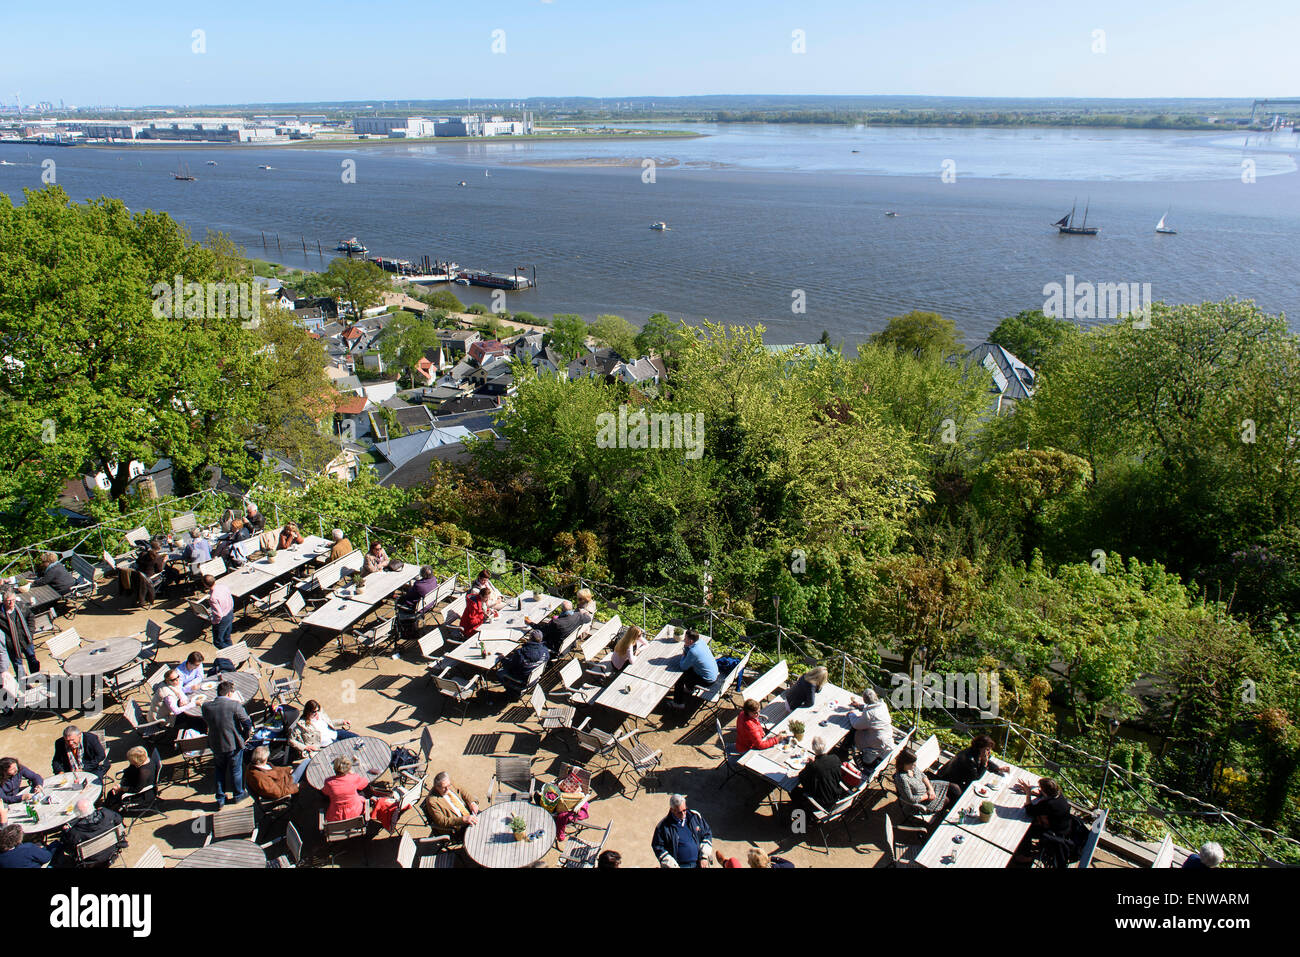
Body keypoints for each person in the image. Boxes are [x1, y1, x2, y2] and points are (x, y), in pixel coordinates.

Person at [202, 680, 253, 807]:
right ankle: (238, 794)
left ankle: (220, 798)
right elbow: (247, 723)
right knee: (236, 770)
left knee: (219, 770)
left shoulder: (206, 706)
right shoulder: (235, 705)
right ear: (230, 693)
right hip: (233, 743)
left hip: (216, 743)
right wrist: (245, 735)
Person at [1010, 777, 1074, 866]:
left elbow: (1029, 811)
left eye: (1040, 788)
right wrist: (1034, 792)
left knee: (1026, 830)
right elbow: (1045, 798)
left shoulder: (1048, 804)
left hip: (1054, 832)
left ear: (1045, 791)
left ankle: (1027, 856)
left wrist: (1028, 793)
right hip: (1065, 827)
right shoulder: (1059, 795)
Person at [52, 797, 124, 868]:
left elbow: (67, 846)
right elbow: (119, 819)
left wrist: (65, 832)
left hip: (91, 860)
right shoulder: (107, 814)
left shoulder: (75, 832)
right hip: (112, 849)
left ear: (77, 814)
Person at [894, 748, 957, 822]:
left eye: (915, 763)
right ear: (904, 764)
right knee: (946, 799)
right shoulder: (901, 778)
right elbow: (910, 799)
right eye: (912, 764)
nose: (914, 766)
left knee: (954, 787)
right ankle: (951, 815)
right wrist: (927, 796)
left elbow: (923, 776)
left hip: (928, 788)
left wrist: (930, 789)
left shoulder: (911, 768)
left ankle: (957, 808)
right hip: (922, 799)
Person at [651, 794, 714, 868]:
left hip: (700, 862)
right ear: (672, 810)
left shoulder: (695, 817)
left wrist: (704, 856)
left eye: (685, 810)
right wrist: (672, 865)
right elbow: (658, 846)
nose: (683, 814)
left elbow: (707, 834)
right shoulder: (663, 827)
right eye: (679, 812)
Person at [934, 733, 1009, 792]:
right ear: (980, 748)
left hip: (958, 778)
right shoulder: (969, 759)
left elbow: (986, 760)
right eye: (987, 749)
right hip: (948, 781)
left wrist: (997, 768)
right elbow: (976, 777)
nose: (988, 752)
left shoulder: (975, 752)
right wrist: (984, 764)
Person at [288, 699, 358, 758]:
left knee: (357, 739)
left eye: (317, 711)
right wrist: (305, 747)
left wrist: (342, 722)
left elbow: (330, 723)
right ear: (308, 711)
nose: (316, 713)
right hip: (327, 742)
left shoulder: (320, 714)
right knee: (348, 750)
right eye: (314, 712)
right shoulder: (302, 724)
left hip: (334, 733)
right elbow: (291, 740)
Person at [149, 668, 207, 735]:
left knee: (193, 715)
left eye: (178, 677)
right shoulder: (167, 695)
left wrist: (182, 699)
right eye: (174, 680)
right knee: (195, 718)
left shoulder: (171, 684)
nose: (177, 680)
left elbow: (180, 691)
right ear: (167, 681)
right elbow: (176, 711)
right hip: (163, 720)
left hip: (168, 712)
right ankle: (200, 737)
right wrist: (194, 704)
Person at [421, 771, 479, 837]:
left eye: (448, 785)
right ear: (437, 787)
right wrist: (463, 819)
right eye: (444, 787)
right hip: (458, 826)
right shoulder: (432, 801)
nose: (448, 789)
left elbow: (462, 791)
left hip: (470, 813)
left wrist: (472, 803)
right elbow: (442, 821)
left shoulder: (448, 782)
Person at [670, 628, 717, 708]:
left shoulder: (693, 651)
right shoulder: (701, 642)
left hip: (707, 680)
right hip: (713, 674)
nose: (684, 640)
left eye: (686, 638)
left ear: (691, 641)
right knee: (690, 669)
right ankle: (689, 688)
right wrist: (687, 649)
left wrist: (684, 655)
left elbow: (683, 666)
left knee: (679, 679)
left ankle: (678, 703)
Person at [793, 736, 843, 811]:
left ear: (813, 748)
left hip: (821, 803)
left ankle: (804, 812)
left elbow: (801, 777)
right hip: (836, 794)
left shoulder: (813, 766)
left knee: (793, 790)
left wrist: (809, 765)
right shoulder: (835, 758)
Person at [103, 746, 160, 811]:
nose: (130, 762)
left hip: (142, 795)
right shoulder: (143, 760)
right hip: (133, 783)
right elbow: (130, 770)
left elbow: (136, 789)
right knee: (111, 793)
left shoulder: (144, 772)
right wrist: (122, 783)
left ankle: (107, 811)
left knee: (113, 795)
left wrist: (121, 788)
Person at [0, 584, 39, 677]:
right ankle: (23, 684)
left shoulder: (21, 607)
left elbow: (31, 617)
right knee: (18, 664)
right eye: (8, 601)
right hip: (12, 644)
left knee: (32, 659)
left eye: (13, 600)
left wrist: (30, 632)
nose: (11, 603)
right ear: (4, 601)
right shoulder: (1, 614)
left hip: (26, 639)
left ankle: (36, 677)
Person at [497, 630, 550, 697]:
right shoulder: (545, 650)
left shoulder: (521, 653)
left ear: (530, 638)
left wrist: (503, 659)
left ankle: (511, 692)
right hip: (534, 678)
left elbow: (509, 666)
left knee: (499, 672)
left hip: (522, 679)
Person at [851, 688, 895, 768]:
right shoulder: (882, 705)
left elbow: (856, 724)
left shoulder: (869, 714)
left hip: (876, 745)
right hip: (887, 740)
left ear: (864, 700)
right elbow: (873, 706)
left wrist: (851, 715)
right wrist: (859, 706)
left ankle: (844, 748)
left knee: (855, 732)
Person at [321, 756, 369, 822]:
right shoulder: (353, 778)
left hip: (336, 816)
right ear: (348, 769)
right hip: (355, 812)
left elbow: (325, 792)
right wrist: (352, 774)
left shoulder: (329, 782)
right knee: (361, 793)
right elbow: (364, 783)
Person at [204, 574, 234, 651]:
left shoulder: (213, 597)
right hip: (230, 613)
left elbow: (218, 614)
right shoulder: (223, 587)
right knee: (227, 637)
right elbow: (231, 600)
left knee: (218, 642)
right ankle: (234, 655)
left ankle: (232, 653)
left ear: (205, 585)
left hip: (222, 619)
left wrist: (214, 622)